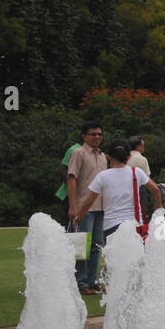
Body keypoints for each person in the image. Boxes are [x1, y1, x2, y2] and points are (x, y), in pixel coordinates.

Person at [73, 138, 162, 243]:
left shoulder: (102, 176)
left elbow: (88, 203)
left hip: (111, 226)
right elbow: (155, 190)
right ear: (129, 157)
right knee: (135, 258)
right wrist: (158, 205)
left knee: (115, 258)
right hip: (135, 226)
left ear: (108, 156)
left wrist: (77, 219)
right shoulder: (136, 172)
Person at [65, 120, 107, 294]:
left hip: (101, 207)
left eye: (99, 134)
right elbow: (71, 178)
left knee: (97, 246)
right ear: (84, 136)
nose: (97, 137)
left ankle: (92, 280)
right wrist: (73, 206)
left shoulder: (103, 156)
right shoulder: (78, 153)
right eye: (93, 134)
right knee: (81, 246)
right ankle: (81, 283)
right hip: (84, 207)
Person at [56, 129, 83, 223]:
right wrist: (72, 187)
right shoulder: (74, 150)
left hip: (83, 193)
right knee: (72, 224)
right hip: (70, 194)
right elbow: (62, 168)